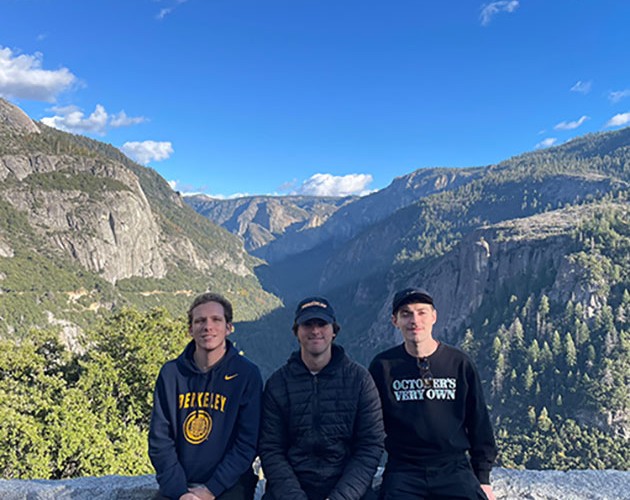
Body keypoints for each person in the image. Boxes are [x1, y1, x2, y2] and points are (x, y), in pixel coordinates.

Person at [369, 288, 498, 500]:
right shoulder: (383, 367)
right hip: (404, 471)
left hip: (454, 469)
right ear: (395, 321)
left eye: (422, 312)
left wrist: (483, 479)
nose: (414, 320)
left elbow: (479, 422)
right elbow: (369, 426)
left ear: (434, 317)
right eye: (406, 313)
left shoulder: (459, 363)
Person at [259, 296, 385, 500]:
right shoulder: (278, 384)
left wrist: (341, 497)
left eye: (322, 324)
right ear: (296, 332)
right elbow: (271, 448)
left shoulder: (359, 381)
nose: (315, 330)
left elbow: (371, 445)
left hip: (348, 491)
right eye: (307, 324)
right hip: (290, 491)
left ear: (334, 331)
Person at [149, 292, 262, 500]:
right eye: (200, 320)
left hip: (229, 484)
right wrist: (180, 492)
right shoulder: (171, 374)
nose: (207, 326)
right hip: (180, 485)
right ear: (190, 329)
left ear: (229, 327)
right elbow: (160, 440)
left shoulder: (246, 374)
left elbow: (247, 442)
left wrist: (211, 489)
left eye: (216, 320)